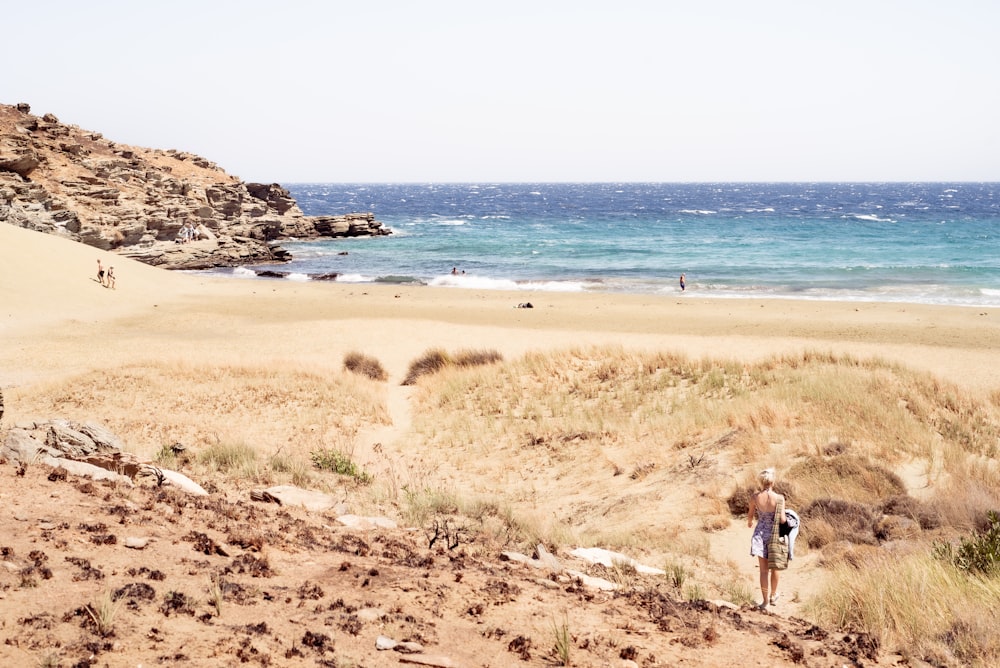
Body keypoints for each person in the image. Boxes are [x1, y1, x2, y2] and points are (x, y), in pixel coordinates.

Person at [747, 467, 786, 609]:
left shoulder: (755, 497)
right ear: (773, 481)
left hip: (759, 534)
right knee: (775, 568)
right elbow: (782, 520)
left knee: (763, 571)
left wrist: (750, 522)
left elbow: (750, 515)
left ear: (761, 482)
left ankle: (765, 602)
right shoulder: (779, 498)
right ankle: (773, 595)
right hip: (774, 535)